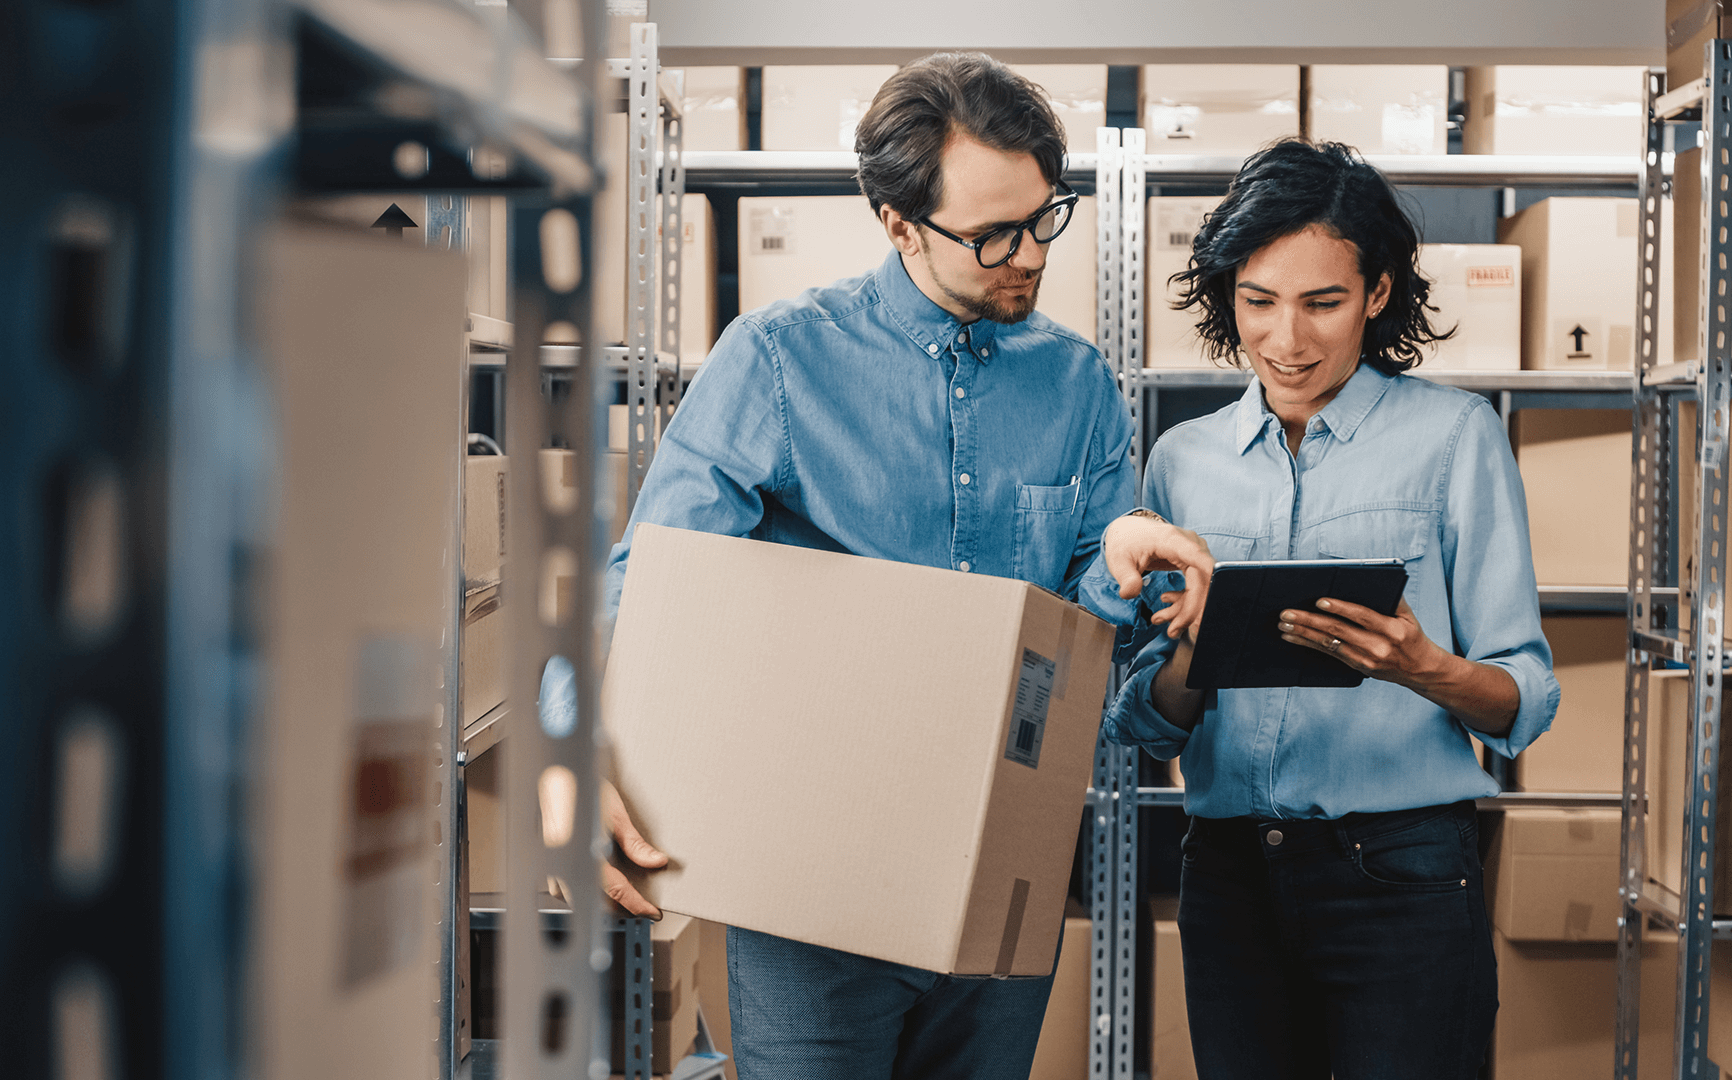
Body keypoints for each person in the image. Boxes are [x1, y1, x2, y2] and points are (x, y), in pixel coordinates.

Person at [577, 51, 1216, 1079]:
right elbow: (648, 581)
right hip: (812, 882)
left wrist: (1123, 560)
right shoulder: (781, 361)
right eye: (990, 235)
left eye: (1043, 218)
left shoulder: (1079, 386)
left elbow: (1089, 625)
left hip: (1004, 866)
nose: (1029, 256)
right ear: (896, 221)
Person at [1102, 139, 1561, 1080]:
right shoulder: (1181, 462)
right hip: (1228, 875)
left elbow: (1526, 696)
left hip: (1402, 871)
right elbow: (1149, 725)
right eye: (1259, 301)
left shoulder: (1454, 438)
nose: (1287, 340)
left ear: (1379, 293)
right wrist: (1193, 646)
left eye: (1323, 303)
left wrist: (1419, 666)